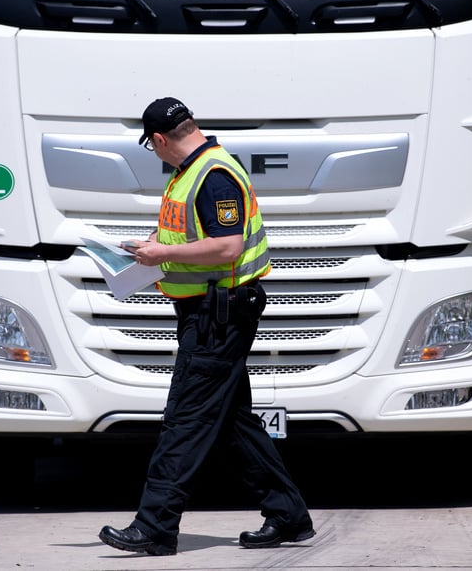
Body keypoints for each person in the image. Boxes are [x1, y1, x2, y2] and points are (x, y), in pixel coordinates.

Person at [98, 97, 314, 556]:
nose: (153, 153)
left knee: (186, 419)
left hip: (219, 316)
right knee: (234, 423)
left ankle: (155, 526)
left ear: (158, 140)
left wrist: (162, 255)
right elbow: (196, 234)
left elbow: (228, 247)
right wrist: (155, 244)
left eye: (151, 147)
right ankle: (289, 516)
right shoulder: (193, 171)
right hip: (212, 312)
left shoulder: (213, 174)